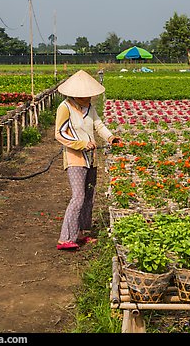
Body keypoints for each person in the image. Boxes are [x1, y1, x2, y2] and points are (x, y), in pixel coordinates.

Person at [54, 70, 121, 251]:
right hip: (75, 158)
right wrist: (82, 144)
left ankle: (82, 232)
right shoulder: (65, 108)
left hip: (91, 158)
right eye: (86, 96)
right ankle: (65, 237)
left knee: (89, 197)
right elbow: (59, 133)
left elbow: (98, 125)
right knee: (78, 197)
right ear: (76, 95)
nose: (89, 98)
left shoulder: (90, 108)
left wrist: (110, 138)